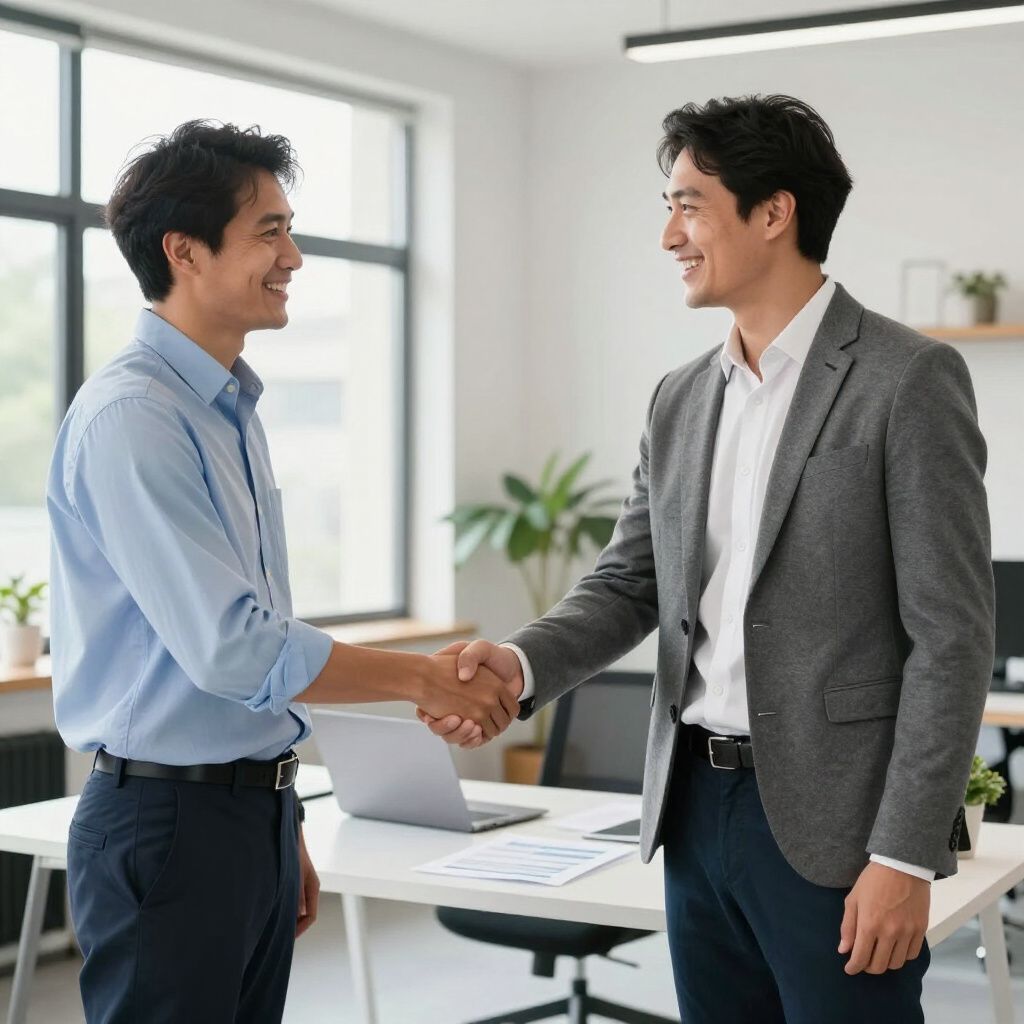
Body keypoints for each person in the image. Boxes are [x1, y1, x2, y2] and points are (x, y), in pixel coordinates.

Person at [422, 94, 994, 1023]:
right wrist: (521, 663)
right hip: (695, 807)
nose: (668, 236)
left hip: (840, 826)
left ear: (775, 212)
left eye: (689, 203)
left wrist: (901, 854)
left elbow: (953, 638)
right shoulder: (679, 398)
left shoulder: (908, 378)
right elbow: (630, 581)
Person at [46, 119, 518, 1024]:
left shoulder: (228, 404)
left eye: (288, 229)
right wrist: (423, 677)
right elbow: (236, 649)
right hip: (167, 822)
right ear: (183, 251)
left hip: (240, 815)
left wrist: (277, 813)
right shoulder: (135, 418)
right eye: (269, 231)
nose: (293, 256)